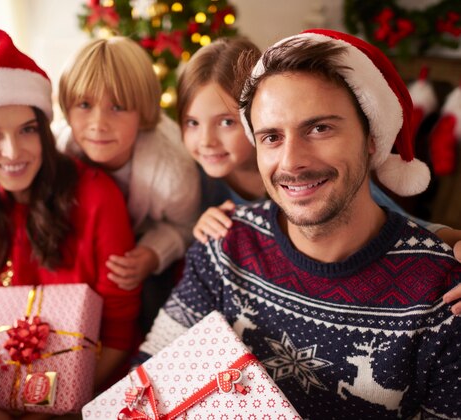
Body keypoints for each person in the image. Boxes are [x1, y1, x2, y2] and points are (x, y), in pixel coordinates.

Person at [139, 29, 461, 418]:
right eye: (272, 137)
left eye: (319, 128)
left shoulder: (446, 298)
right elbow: (149, 382)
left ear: (373, 135)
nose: (292, 162)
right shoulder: (223, 243)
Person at [0, 29, 140, 417]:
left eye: (27, 130)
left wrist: (60, 410)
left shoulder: (97, 196)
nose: (12, 152)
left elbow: (121, 332)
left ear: (44, 130)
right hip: (13, 379)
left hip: (95, 382)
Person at [177, 35, 461, 314]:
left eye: (226, 122)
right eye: (191, 122)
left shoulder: (329, 181)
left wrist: (454, 239)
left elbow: (405, 226)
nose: (206, 141)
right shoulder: (203, 175)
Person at [53, 36, 200, 332]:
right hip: (91, 242)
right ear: (67, 109)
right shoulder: (62, 150)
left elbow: (186, 227)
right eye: (84, 104)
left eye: (117, 107)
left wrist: (153, 254)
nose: (98, 123)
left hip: (146, 235)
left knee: (153, 303)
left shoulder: (172, 170)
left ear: (145, 112)